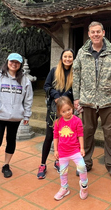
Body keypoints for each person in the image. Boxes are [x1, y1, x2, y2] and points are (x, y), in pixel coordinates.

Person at [73, 21, 111, 184]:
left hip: (109, 100)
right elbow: (76, 75)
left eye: (98, 32)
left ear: (103, 33)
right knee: (87, 133)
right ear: (89, 34)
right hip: (87, 101)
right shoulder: (82, 52)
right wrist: (76, 98)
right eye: (92, 32)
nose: (95, 34)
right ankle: (85, 163)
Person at [0, 53, 33, 185]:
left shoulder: (25, 80)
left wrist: (27, 114)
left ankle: (6, 165)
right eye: (12, 61)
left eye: (17, 62)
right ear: (7, 62)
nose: (14, 64)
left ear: (20, 65)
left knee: (11, 141)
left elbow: (28, 99)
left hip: (15, 117)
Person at [37, 49, 75, 179]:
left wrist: (65, 97)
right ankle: (42, 164)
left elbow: (75, 90)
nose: (68, 59)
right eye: (65, 56)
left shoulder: (75, 73)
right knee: (49, 136)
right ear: (62, 58)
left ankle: (59, 161)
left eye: (70, 57)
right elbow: (47, 86)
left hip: (68, 111)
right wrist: (56, 96)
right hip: (54, 109)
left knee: (63, 137)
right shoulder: (54, 71)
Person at [53, 96, 88, 200]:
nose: (67, 112)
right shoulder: (58, 122)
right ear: (59, 112)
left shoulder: (77, 121)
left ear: (72, 107)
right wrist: (55, 150)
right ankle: (64, 188)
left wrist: (82, 148)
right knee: (63, 171)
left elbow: (80, 134)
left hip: (75, 151)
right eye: (64, 111)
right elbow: (56, 136)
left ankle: (84, 186)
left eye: (69, 109)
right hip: (63, 152)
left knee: (82, 167)